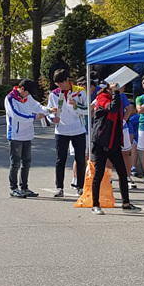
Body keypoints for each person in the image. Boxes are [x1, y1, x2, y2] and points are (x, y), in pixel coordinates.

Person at [89, 81, 140, 214]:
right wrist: (115, 92)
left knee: (123, 173)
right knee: (99, 173)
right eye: (119, 86)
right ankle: (95, 205)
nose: (122, 87)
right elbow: (113, 108)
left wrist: (116, 94)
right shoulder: (102, 97)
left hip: (114, 142)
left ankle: (126, 203)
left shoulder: (117, 97)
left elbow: (122, 110)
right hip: (101, 141)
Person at [4, 79, 50, 199]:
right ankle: (13, 188)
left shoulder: (28, 98)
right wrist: (33, 117)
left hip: (27, 135)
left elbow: (38, 107)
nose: (28, 95)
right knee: (15, 163)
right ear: (22, 89)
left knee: (26, 163)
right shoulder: (10, 98)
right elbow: (16, 115)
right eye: (28, 92)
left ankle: (24, 187)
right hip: (15, 135)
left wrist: (49, 110)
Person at [48, 69, 87, 198]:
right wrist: (52, 118)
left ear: (67, 80)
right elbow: (49, 111)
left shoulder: (80, 91)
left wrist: (76, 106)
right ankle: (59, 187)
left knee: (80, 159)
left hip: (78, 130)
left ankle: (80, 187)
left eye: (61, 83)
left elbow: (86, 110)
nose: (59, 86)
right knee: (60, 159)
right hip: (61, 130)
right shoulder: (54, 94)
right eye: (57, 83)